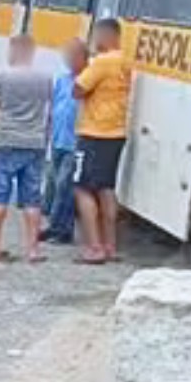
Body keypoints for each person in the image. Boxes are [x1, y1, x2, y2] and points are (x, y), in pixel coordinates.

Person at [0, 35, 52, 263]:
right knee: (32, 198)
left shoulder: (1, 77)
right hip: (34, 142)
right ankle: (32, 250)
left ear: (14, 51)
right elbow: (48, 108)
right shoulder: (45, 78)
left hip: (5, 141)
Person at [72, 18, 133, 264]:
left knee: (82, 188)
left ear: (105, 36)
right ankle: (110, 245)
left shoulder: (102, 62)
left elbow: (77, 89)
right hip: (116, 133)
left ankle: (94, 247)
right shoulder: (126, 61)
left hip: (94, 132)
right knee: (107, 189)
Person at [40, 38, 88, 245]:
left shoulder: (88, 80)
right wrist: (48, 132)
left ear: (83, 57)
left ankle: (63, 231)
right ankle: (54, 226)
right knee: (52, 184)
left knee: (64, 187)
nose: (68, 60)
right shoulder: (62, 79)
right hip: (58, 139)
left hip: (74, 141)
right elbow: (53, 107)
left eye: (73, 55)